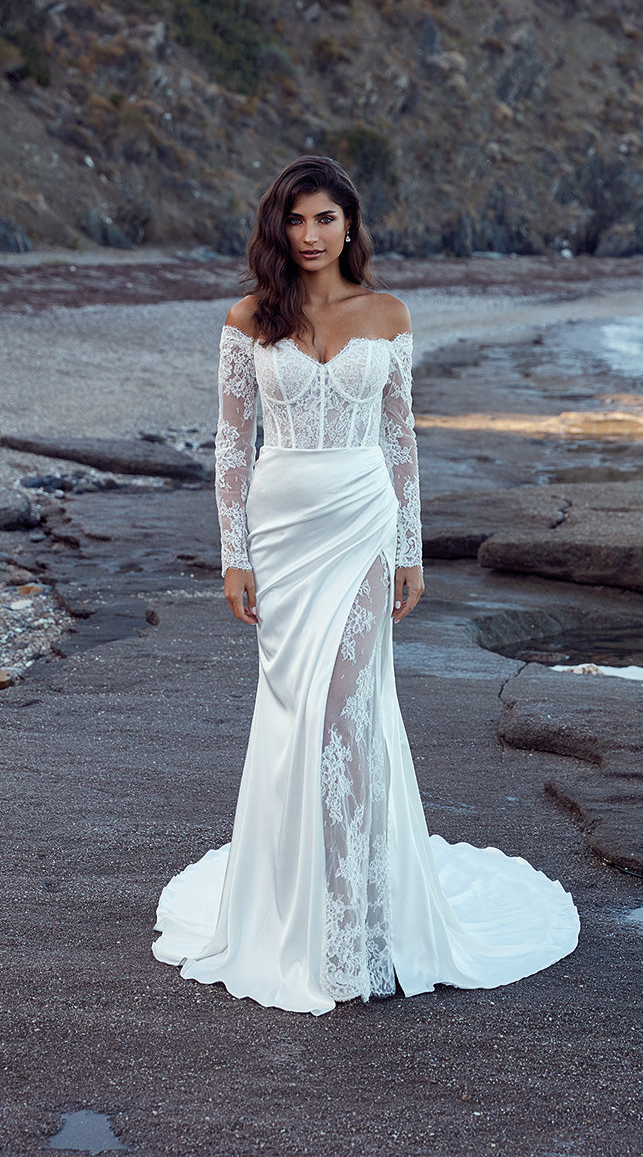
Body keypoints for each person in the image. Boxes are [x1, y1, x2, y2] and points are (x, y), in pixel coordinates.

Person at [152, 156, 579, 1014]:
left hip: (359, 524)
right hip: (280, 531)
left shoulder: (387, 313)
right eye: (296, 221)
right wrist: (233, 554)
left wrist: (412, 552)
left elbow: (400, 441)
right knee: (292, 714)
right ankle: (291, 910)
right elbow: (233, 449)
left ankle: (355, 932)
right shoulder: (248, 317)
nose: (310, 237)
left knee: (347, 710)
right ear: (280, 228)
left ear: (351, 224)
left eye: (324, 220)